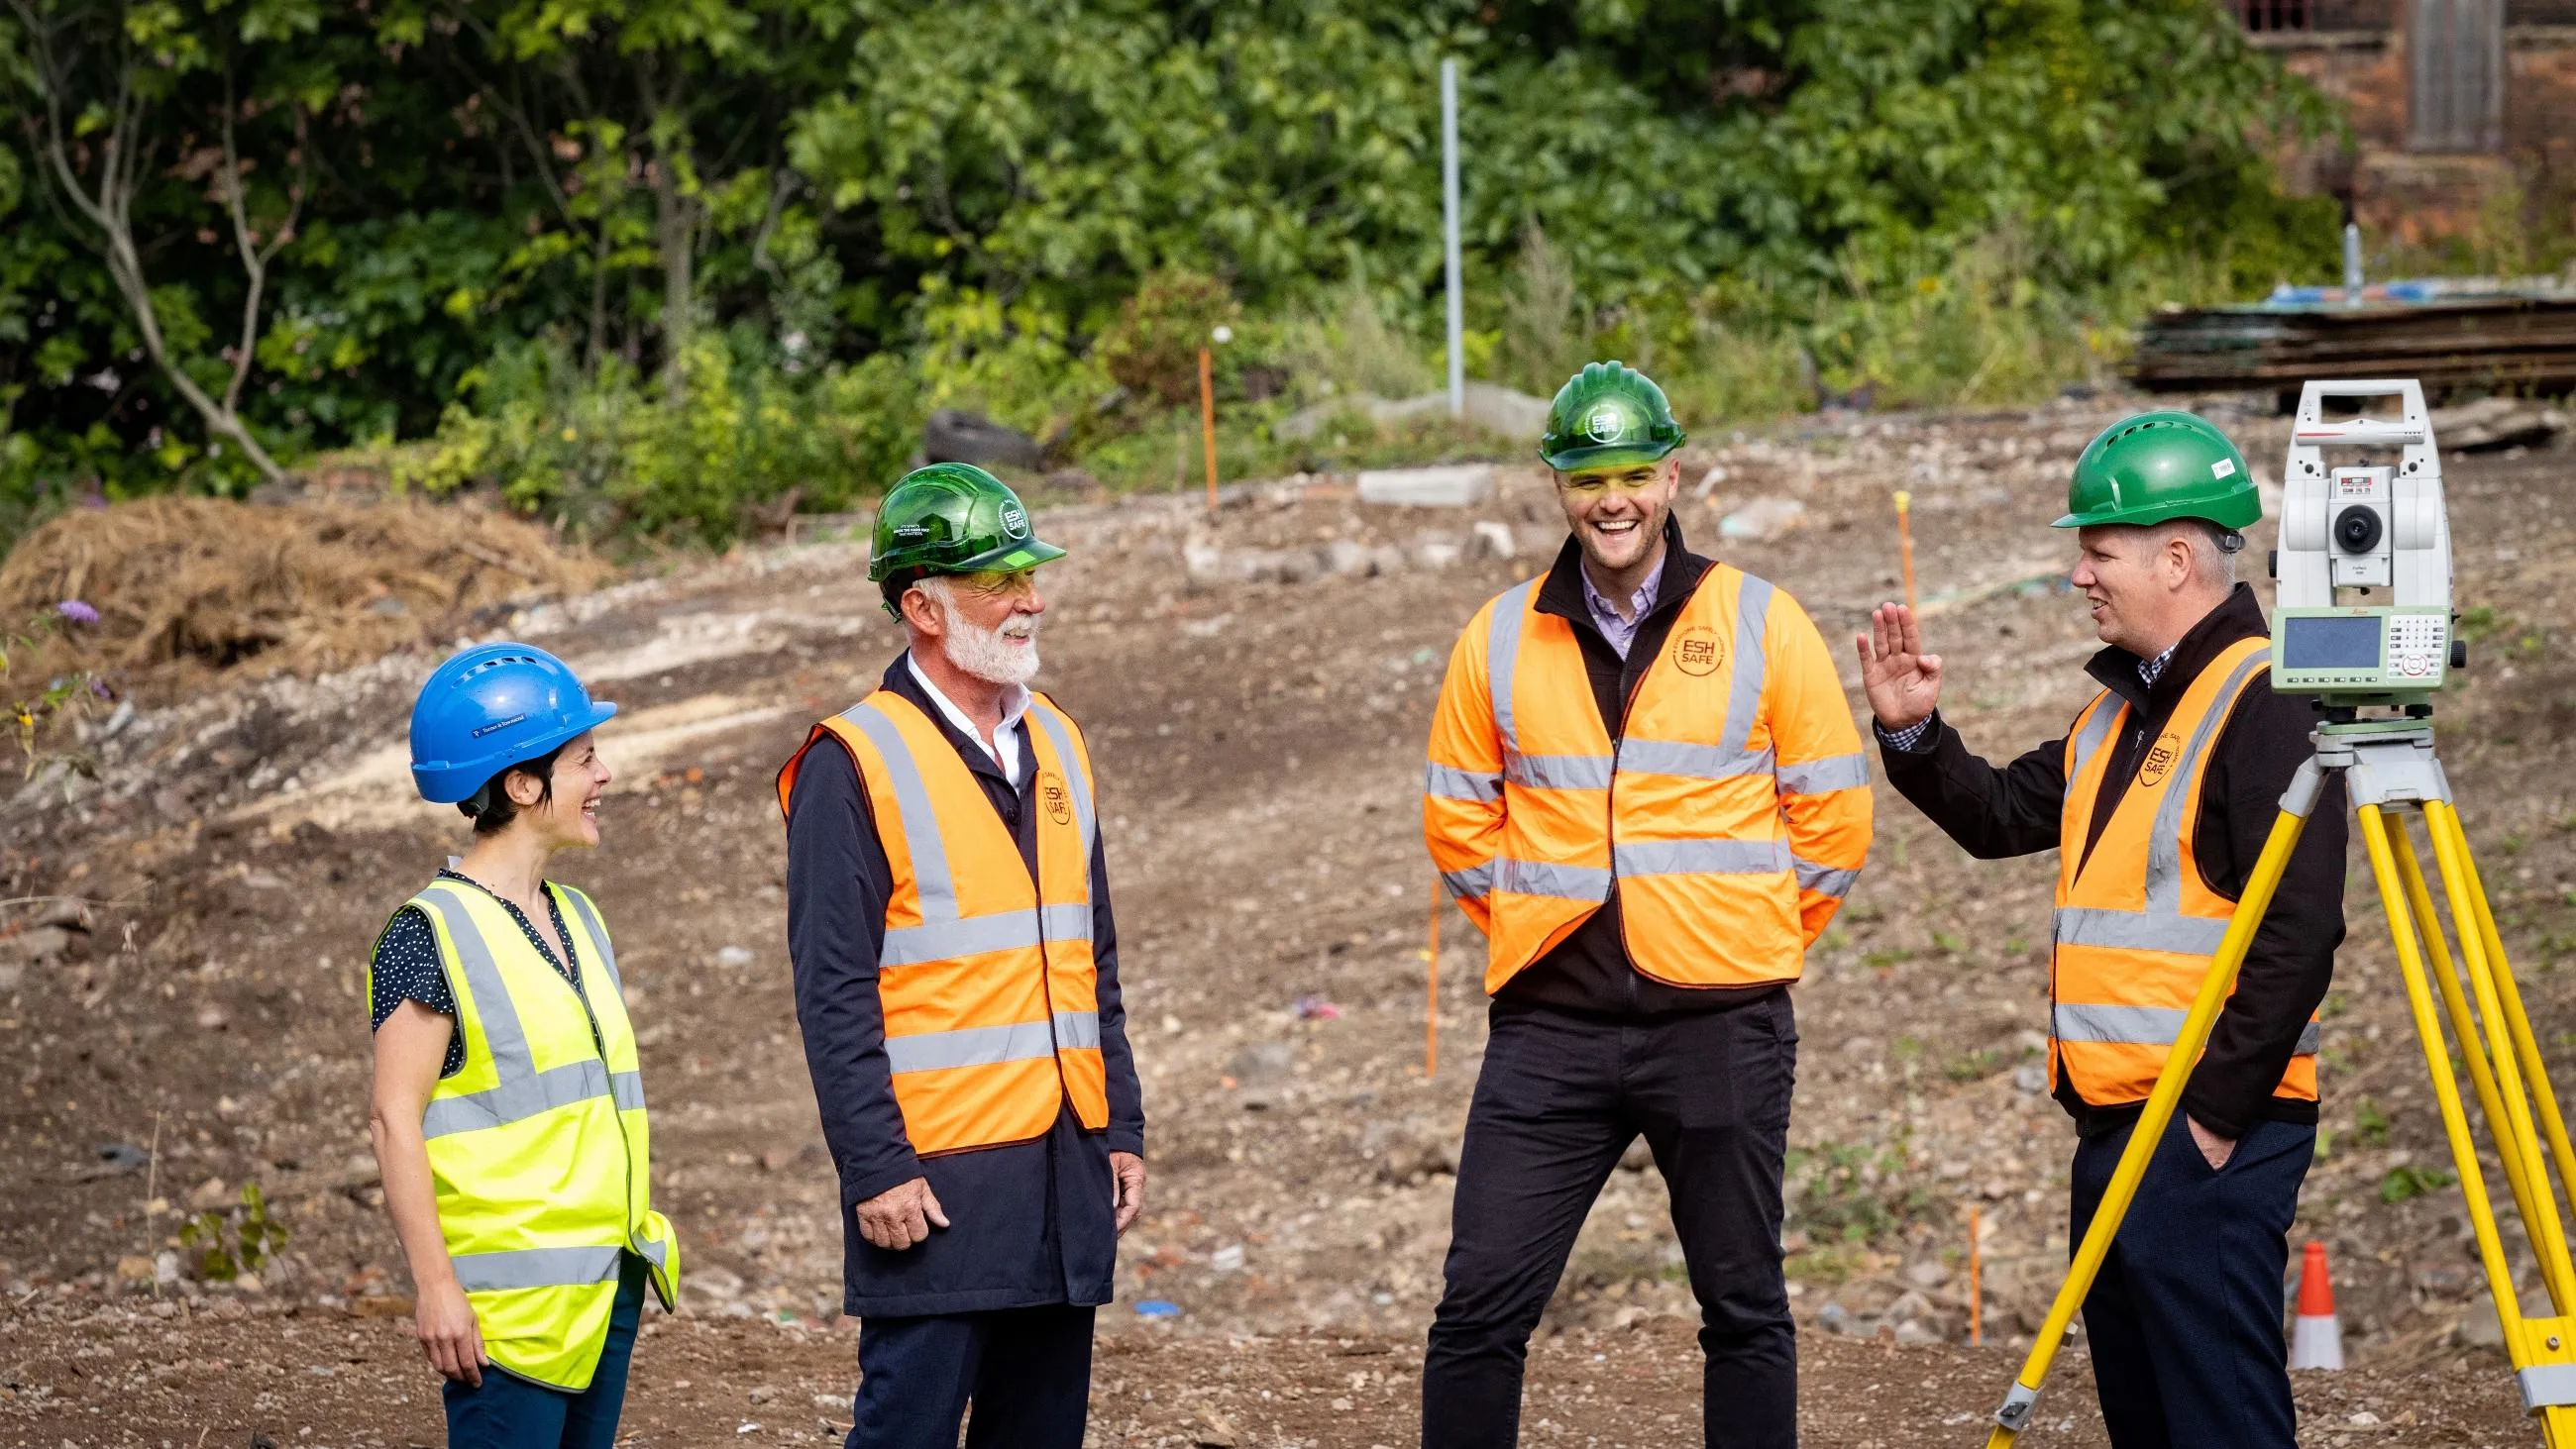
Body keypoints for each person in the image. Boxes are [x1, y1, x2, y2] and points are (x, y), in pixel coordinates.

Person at [1856, 411, 2345, 1449]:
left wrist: (2210, 1119)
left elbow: (2297, 926)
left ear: (2175, 556)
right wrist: (1911, 731)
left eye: (2095, 549)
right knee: (2146, 1417)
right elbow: (1994, 814)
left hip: (2206, 1131)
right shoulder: (2117, 715)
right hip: (2114, 1127)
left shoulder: (2262, 697)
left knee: (2219, 1421)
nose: (2077, 574)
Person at [1421, 362, 1874, 1447]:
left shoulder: (1760, 620)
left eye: (1632, 472)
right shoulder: (1496, 635)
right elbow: (1456, 819)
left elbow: (1833, 823)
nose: (1610, 498)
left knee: (1742, 1308)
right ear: (1556, 486)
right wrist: (1543, 925)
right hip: (1550, 1026)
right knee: (1477, 1308)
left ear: (1672, 475)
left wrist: (1743, 935)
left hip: (1721, 1022)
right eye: (1586, 475)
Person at [778, 463, 1146, 1449]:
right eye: (997, 580)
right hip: (932, 1194)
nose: (1028, 597)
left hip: (1062, 1175)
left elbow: (1090, 956)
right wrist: (875, 1167)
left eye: (1027, 572)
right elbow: (832, 991)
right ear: (919, 604)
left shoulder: (1058, 741)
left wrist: (1120, 1124)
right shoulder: (848, 762)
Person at [367, 642, 680, 1449]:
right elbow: (393, 1120)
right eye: (584, 757)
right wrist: (435, 1288)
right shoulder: (427, 932)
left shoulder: (579, 915)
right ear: (521, 782)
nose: (604, 774)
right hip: (508, 1320)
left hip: (603, 1293)